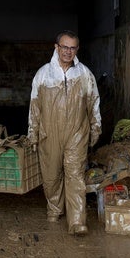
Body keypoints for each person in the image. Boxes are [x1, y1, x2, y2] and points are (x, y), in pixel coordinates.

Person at [27, 30, 101, 236]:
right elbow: (34, 106)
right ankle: (54, 209)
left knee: (75, 174)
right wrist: (33, 133)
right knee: (51, 176)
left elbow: (94, 102)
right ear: (56, 47)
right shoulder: (43, 74)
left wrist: (96, 127)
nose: (68, 51)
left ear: (77, 49)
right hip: (49, 132)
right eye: (64, 47)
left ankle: (77, 221)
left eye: (72, 47)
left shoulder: (84, 74)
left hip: (77, 132)